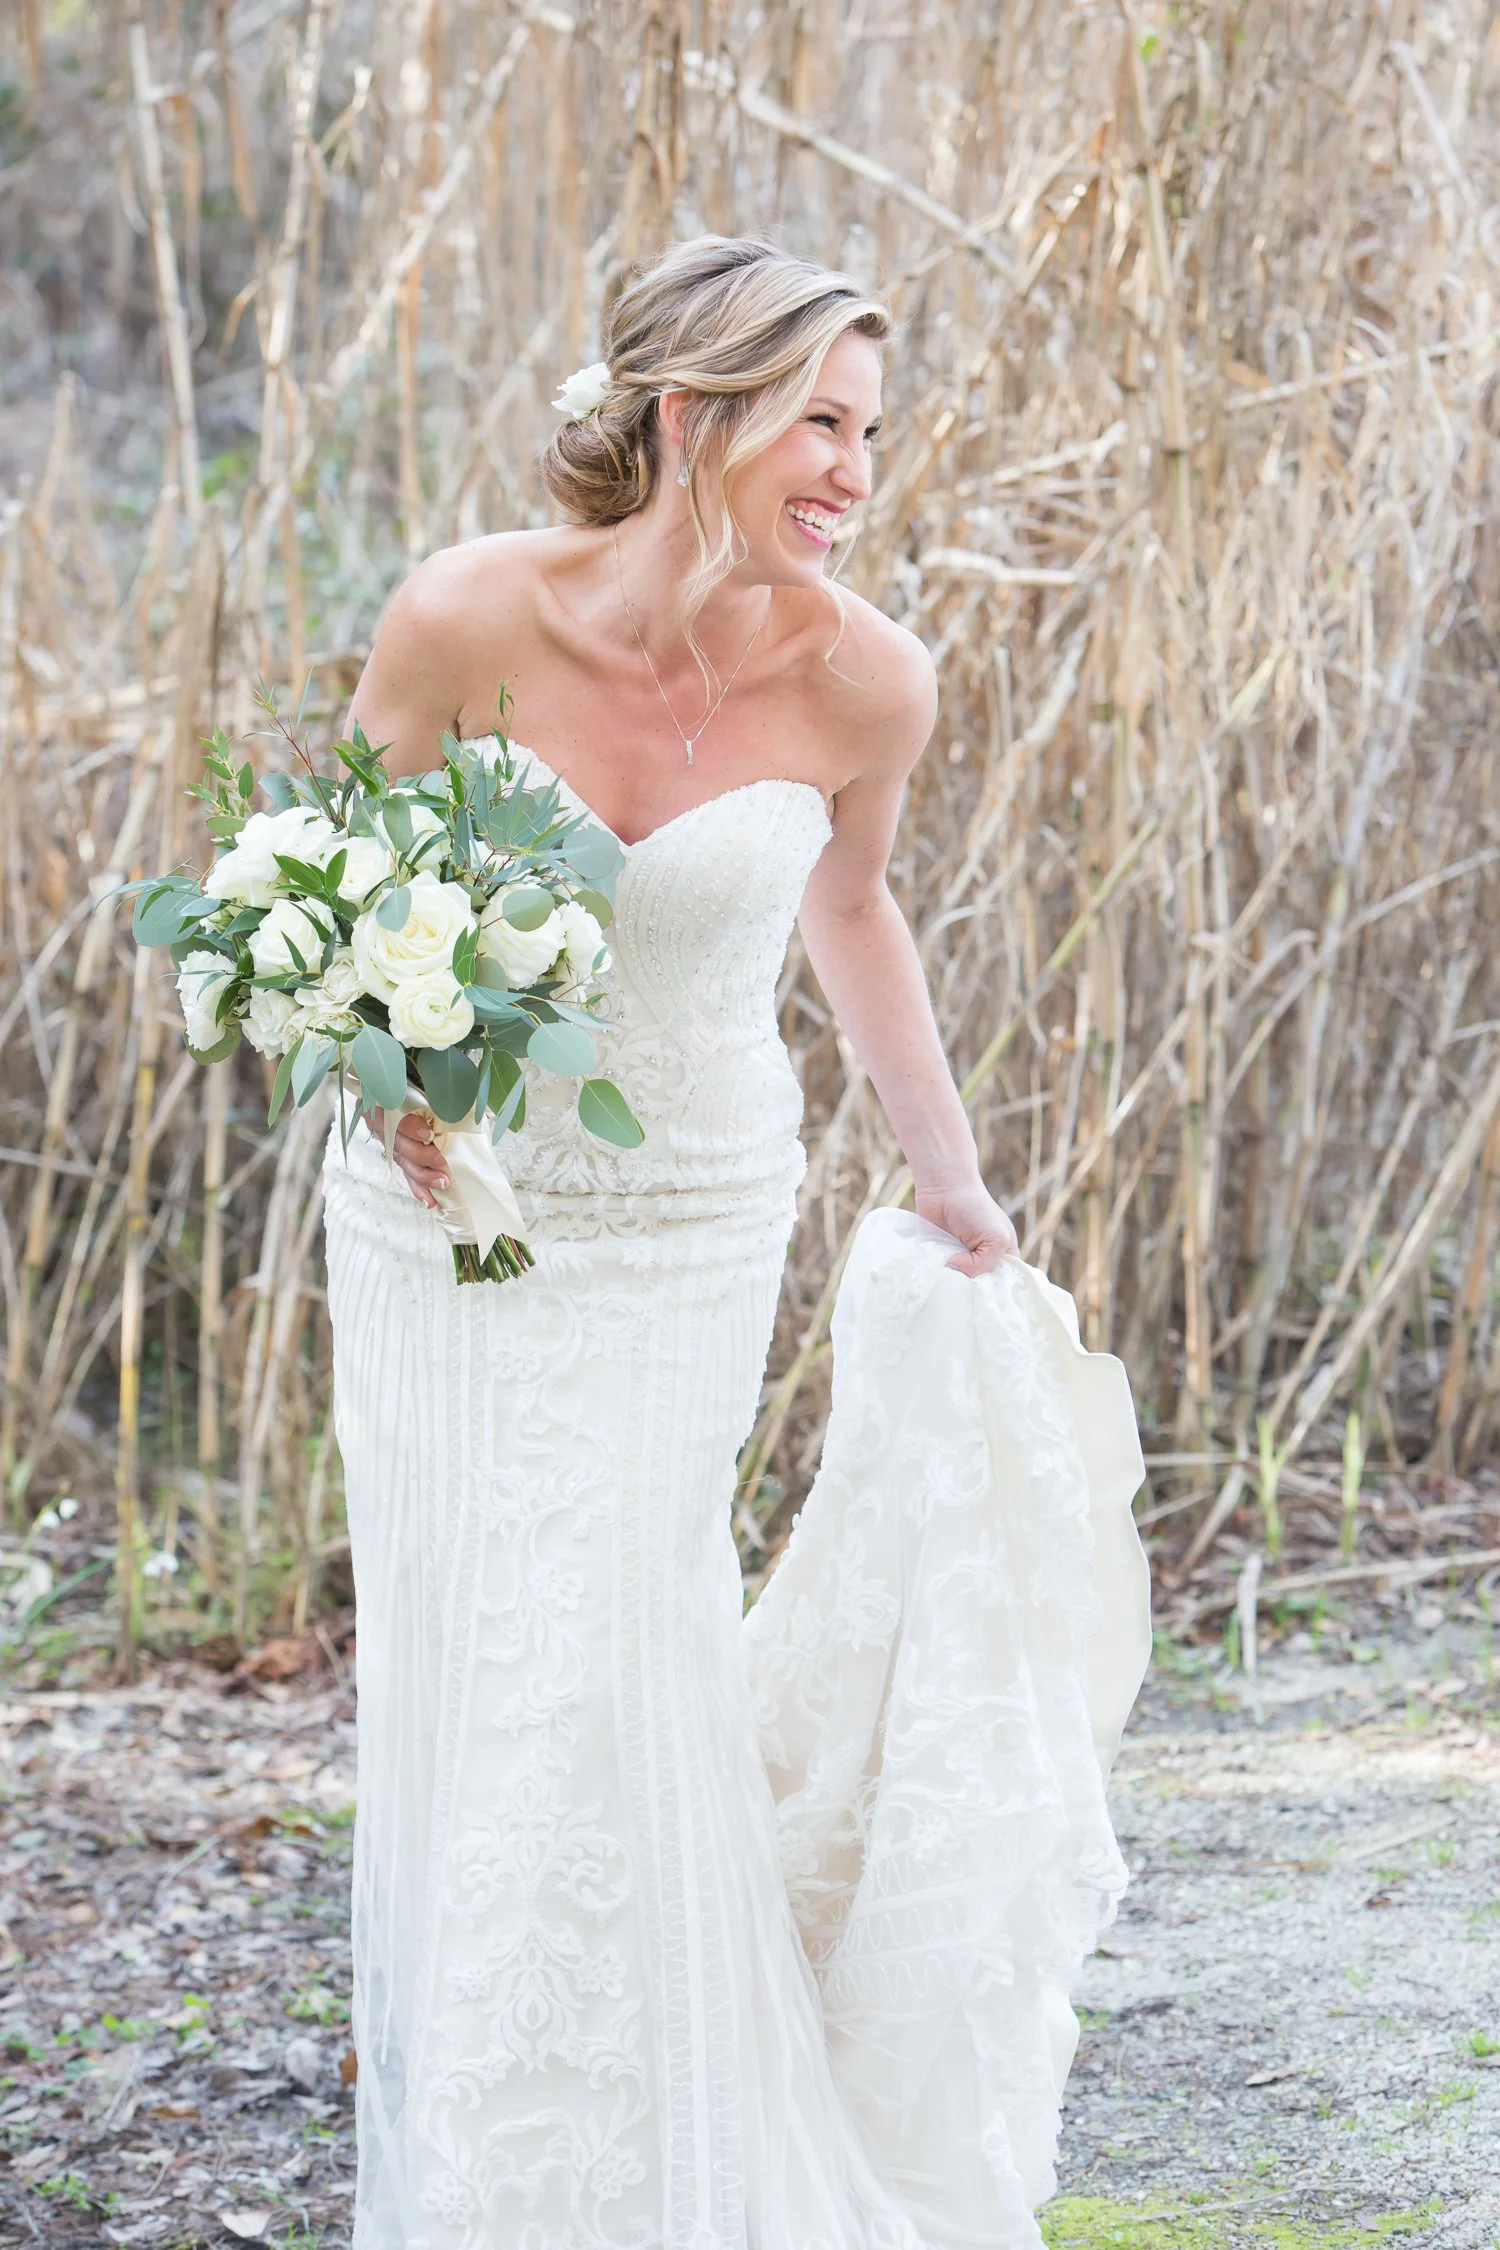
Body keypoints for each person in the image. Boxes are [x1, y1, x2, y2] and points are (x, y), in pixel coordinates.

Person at [324, 233, 1148, 2249]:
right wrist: (385, 1067)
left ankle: (661, 2161)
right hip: (447, 1221)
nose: (857, 470)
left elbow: (851, 910)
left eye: (871, 430)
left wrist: (951, 1175)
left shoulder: (867, 677)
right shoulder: (463, 615)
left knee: (613, 1630)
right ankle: (495, 2138)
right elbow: (349, 882)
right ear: (694, 417)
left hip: (685, 1218)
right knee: (482, 1644)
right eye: (820, 423)